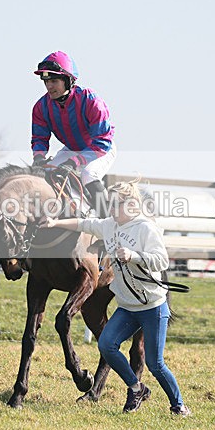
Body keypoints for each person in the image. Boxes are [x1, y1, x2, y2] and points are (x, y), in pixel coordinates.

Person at [41, 178, 191, 416]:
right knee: (107, 345)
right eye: (109, 204)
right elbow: (84, 223)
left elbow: (162, 260)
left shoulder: (145, 228)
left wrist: (134, 256)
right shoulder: (109, 225)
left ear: (131, 206)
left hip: (152, 306)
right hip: (127, 307)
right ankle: (136, 387)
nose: (110, 210)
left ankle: (179, 405)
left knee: (155, 364)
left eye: (115, 205)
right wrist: (55, 222)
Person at [31, 51, 115, 217]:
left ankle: (110, 225)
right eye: (46, 81)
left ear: (68, 80)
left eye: (54, 81)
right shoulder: (41, 107)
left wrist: (74, 162)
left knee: (88, 174)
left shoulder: (91, 100)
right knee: (47, 174)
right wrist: (39, 157)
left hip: (100, 149)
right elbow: (40, 138)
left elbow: (102, 142)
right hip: (71, 148)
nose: (49, 86)